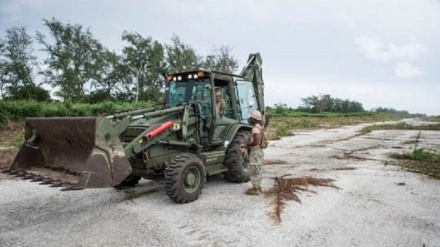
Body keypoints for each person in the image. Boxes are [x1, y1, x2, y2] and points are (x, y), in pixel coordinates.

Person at [243, 110, 264, 195]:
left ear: (254, 119)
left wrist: (246, 145)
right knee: (257, 169)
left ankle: (256, 189)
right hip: (259, 151)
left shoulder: (255, 129)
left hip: (255, 152)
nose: (249, 119)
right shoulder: (259, 127)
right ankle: (258, 187)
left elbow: (256, 142)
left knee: (254, 169)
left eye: (251, 118)